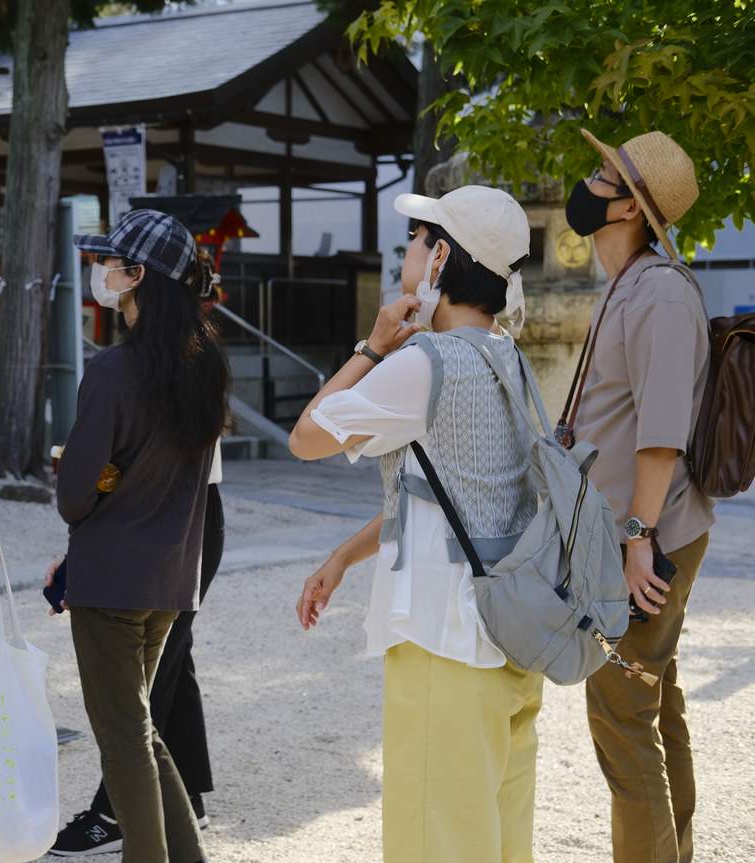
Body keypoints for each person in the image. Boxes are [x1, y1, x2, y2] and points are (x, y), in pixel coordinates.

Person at [290, 185, 542, 863]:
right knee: (495, 839)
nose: (404, 249)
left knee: (434, 843)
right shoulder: (507, 359)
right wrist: (345, 555)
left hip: (443, 638)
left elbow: (306, 435)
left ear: (440, 262)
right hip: (511, 637)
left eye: (416, 238)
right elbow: (447, 490)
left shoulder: (420, 364)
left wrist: (370, 348)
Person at [51, 209, 229, 863]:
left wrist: (99, 474)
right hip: (171, 574)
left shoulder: (110, 371)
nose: (101, 273)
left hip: (110, 575)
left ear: (136, 277)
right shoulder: (204, 364)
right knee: (142, 729)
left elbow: (73, 497)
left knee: (123, 737)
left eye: (110, 263)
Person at [563, 128, 713, 863]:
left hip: (649, 535)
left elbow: (660, 437)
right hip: (639, 531)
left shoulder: (655, 292)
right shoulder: (630, 285)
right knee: (654, 705)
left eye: (601, 177)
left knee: (621, 712)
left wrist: (634, 538)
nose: (585, 186)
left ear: (628, 209)